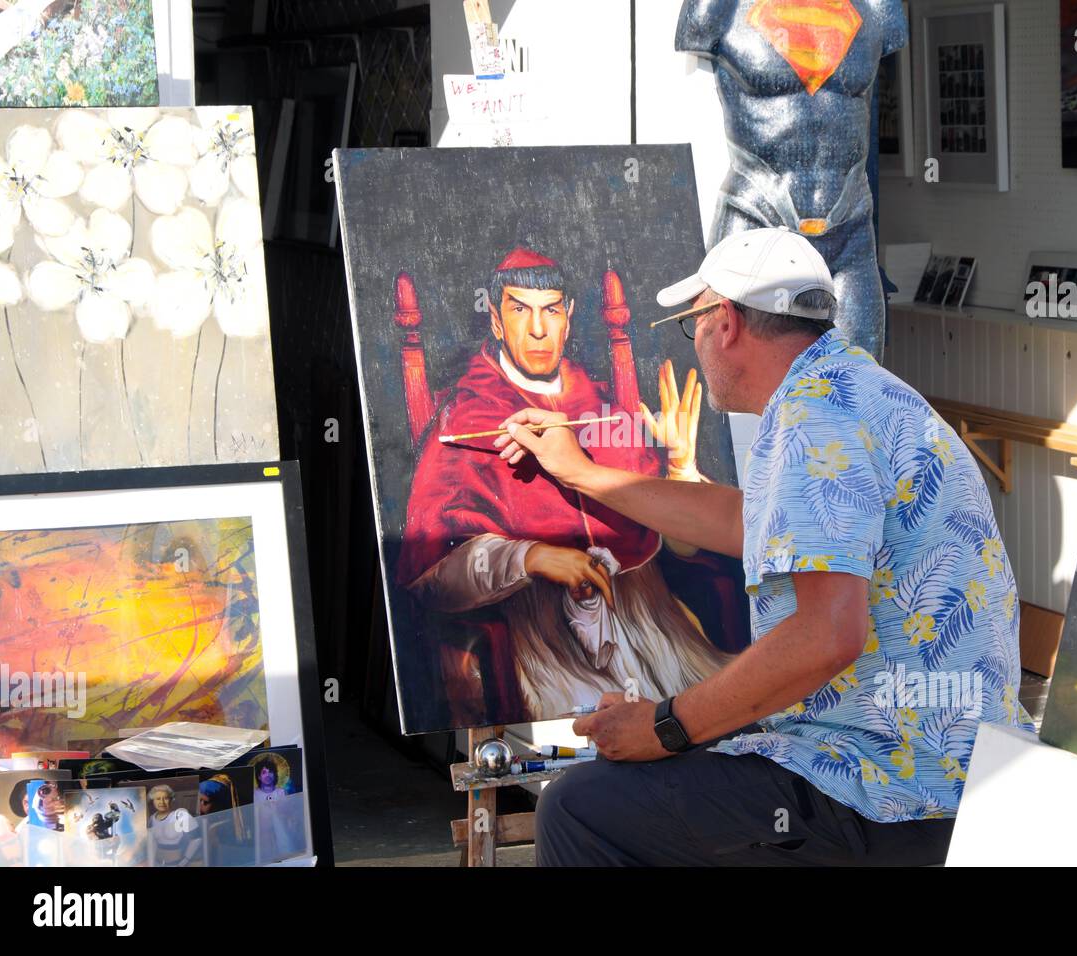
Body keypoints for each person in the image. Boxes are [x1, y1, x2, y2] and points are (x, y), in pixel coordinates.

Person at [496, 227, 1035, 866]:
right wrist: (583, 471)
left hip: (886, 790)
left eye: (689, 325)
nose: (693, 346)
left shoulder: (813, 423)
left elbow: (827, 635)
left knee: (580, 809)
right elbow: (740, 521)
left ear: (723, 321)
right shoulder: (853, 389)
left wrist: (664, 726)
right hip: (956, 764)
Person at [398, 247, 735, 722]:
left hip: (656, 629)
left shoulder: (610, 412)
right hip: (546, 646)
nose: (538, 329)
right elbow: (431, 574)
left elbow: (681, 552)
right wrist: (531, 556)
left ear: (569, 317)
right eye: (520, 310)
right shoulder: (466, 419)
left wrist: (679, 469)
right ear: (496, 320)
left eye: (551, 310)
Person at [676, 0, 909, 359]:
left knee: (857, 392)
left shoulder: (877, 5)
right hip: (755, 220)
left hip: (848, 233)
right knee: (738, 389)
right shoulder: (718, 7)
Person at [147, 783, 201, 866]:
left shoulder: (181, 815)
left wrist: (184, 861)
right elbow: (152, 843)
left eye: (165, 798)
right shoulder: (151, 819)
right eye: (158, 799)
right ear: (153, 801)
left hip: (177, 864)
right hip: (157, 864)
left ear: (171, 799)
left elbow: (197, 839)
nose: (162, 802)